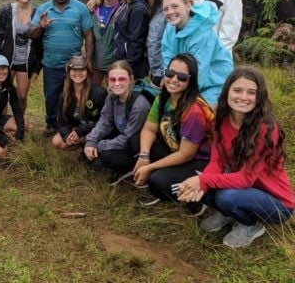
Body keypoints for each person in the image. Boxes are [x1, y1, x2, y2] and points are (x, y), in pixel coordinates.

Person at [177, 67, 294, 248]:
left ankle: (251, 225)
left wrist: (203, 181)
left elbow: (246, 179)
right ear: (227, 91)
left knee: (225, 196)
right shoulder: (221, 120)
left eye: (251, 92)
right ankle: (230, 214)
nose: (243, 97)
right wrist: (202, 182)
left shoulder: (265, 129)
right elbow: (218, 161)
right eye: (237, 90)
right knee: (202, 185)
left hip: (277, 203)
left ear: (259, 96)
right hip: (243, 188)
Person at [133, 54, 214, 212]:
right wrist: (144, 156)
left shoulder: (194, 111)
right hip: (175, 146)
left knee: (158, 183)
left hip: (199, 161)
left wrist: (149, 168)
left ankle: (201, 195)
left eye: (182, 77)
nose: (174, 79)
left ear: (191, 81)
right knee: (135, 142)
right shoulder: (164, 97)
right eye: (170, 73)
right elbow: (149, 128)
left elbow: (186, 154)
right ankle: (162, 173)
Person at [29, 0, 94, 136]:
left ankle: (73, 124)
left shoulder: (80, 8)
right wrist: (41, 26)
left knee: (74, 96)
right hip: (51, 63)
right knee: (51, 96)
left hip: (75, 65)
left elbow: (89, 35)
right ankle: (51, 124)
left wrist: (88, 60)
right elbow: (31, 33)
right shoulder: (43, 9)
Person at [161, 0, 233, 106]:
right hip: (183, 77)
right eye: (166, 9)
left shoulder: (202, 34)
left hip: (213, 82)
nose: (170, 12)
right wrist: (168, 80)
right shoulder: (170, 29)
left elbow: (199, 71)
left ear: (188, 6)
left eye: (175, 6)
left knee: (197, 112)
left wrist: (181, 97)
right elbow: (168, 58)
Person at [84, 60, 151, 180]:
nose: (117, 83)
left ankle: (133, 169)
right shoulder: (112, 97)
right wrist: (91, 140)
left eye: (122, 79)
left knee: (106, 155)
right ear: (107, 81)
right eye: (112, 80)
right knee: (93, 136)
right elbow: (105, 122)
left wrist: (100, 146)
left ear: (130, 80)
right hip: (122, 135)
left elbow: (128, 137)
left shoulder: (139, 105)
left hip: (138, 147)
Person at [0, 0, 42, 113]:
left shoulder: (37, 13)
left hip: (26, 62)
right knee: (2, 93)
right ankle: (2, 121)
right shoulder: (7, 11)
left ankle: (18, 121)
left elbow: (40, 45)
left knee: (22, 96)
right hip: (7, 59)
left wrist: (37, 69)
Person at [51, 56, 107, 150]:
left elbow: (104, 120)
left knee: (89, 138)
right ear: (69, 72)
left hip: (94, 129)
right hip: (77, 128)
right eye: (74, 69)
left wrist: (80, 131)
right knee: (56, 142)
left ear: (88, 72)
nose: (78, 73)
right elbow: (61, 121)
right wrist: (66, 135)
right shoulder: (64, 95)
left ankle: (88, 144)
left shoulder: (99, 93)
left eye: (82, 69)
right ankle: (80, 143)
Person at [146, 0, 183, 88]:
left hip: (166, 73)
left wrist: (167, 74)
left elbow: (176, 45)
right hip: (155, 71)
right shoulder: (156, 4)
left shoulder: (178, 8)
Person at [113, 0, 150, 80]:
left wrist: (127, 68)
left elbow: (136, 42)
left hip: (132, 66)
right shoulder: (126, 2)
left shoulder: (138, 9)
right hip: (122, 60)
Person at [90, 0, 122, 85]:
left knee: (114, 93)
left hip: (115, 63)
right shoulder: (93, 8)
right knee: (93, 94)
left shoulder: (123, 8)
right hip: (95, 62)